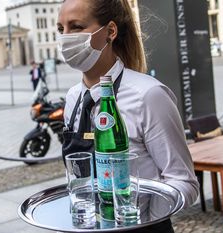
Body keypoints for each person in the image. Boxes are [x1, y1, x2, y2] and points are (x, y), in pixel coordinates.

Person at [57, 0, 199, 232]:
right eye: (60, 29)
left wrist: (142, 222)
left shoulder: (149, 95)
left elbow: (184, 182)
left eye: (76, 26)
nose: (65, 38)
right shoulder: (73, 98)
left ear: (110, 32)